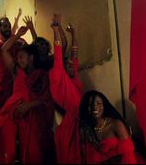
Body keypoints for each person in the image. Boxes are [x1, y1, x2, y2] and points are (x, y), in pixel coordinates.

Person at [49, 18, 137, 164]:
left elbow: (75, 56)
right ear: (62, 69)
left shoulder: (74, 80)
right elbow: (58, 57)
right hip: (72, 127)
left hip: (85, 119)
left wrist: (74, 34)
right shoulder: (58, 79)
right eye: (69, 65)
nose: (72, 65)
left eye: (72, 65)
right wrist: (56, 31)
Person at [0, 26, 55, 164]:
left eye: (21, 57)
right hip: (12, 111)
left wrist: (29, 105)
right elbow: (4, 50)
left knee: (33, 153)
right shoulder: (16, 71)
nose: (18, 60)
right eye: (17, 58)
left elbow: (45, 98)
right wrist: (17, 35)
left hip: (32, 115)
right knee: (8, 148)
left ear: (31, 58)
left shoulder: (40, 74)